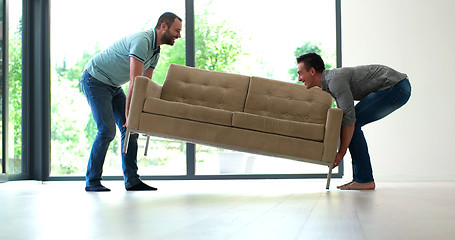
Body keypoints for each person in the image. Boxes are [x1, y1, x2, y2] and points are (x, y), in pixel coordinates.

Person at [80, 12, 182, 192]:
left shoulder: (155, 52)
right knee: (106, 131)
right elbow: (134, 82)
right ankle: (92, 181)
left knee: (131, 129)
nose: (179, 35)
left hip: (112, 85)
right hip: (95, 79)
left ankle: (132, 181)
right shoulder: (142, 41)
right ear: (163, 26)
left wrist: (142, 118)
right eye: (177, 30)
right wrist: (130, 114)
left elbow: (144, 87)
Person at [296, 52, 411, 190]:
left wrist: (340, 154)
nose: (299, 78)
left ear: (312, 71)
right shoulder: (331, 83)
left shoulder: (335, 81)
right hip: (397, 87)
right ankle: (360, 178)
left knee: (352, 123)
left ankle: (364, 179)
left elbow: (349, 121)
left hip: (395, 86)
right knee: (351, 123)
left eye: (300, 73)